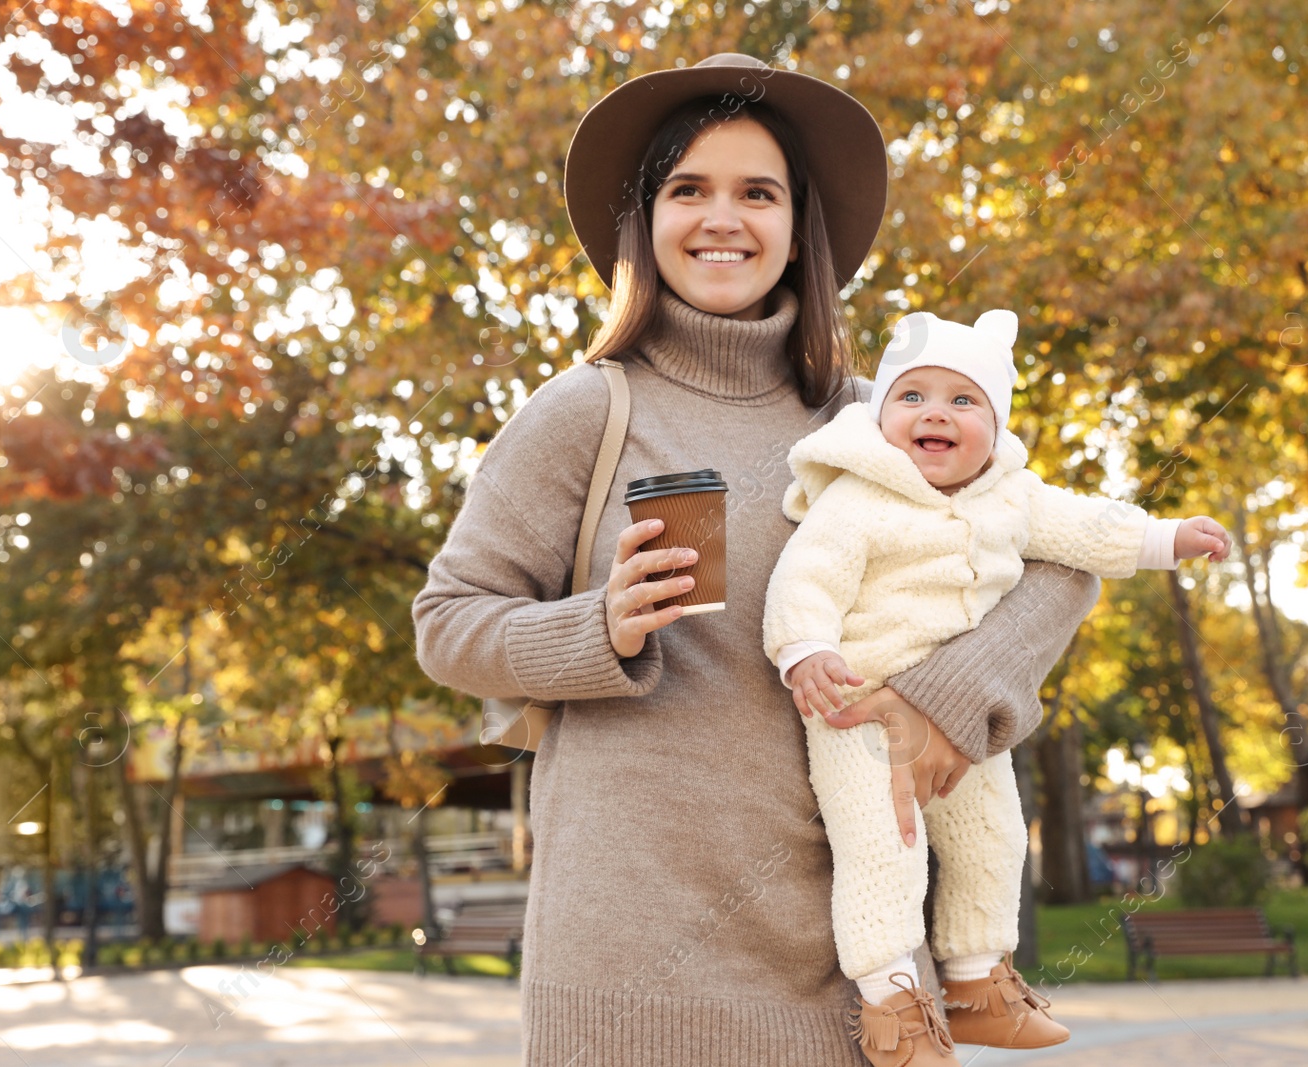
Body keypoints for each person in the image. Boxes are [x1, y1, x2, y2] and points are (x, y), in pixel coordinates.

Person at [412, 53, 1103, 1066]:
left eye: (757, 192)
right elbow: (449, 621)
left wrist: (952, 695)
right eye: (686, 188)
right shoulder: (585, 411)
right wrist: (594, 626)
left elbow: (1060, 555)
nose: (720, 217)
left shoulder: (880, 419)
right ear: (642, 220)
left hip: (857, 964)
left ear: (797, 227)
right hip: (629, 962)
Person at [764, 310, 1229, 1054]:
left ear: (996, 422)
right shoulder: (857, 498)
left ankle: (978, 980)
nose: (935, 413)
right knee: (885, 848)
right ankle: (891, 1007)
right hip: (856, 709)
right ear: (880, 415)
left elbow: (1085, 529)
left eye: (962, 400)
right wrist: (806, 649)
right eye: (911, 397)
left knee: (996, 837)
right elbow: (805, 577)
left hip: (962, 716)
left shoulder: (1013, 497)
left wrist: (1165, 537)